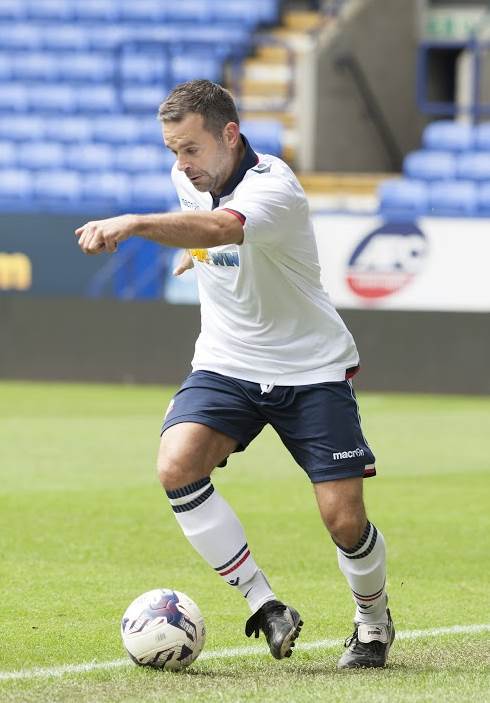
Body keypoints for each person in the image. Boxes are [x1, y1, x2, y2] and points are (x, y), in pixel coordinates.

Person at [76, 79, 394, 669]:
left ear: (229, 134)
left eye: (191, 149)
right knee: (177, 464)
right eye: (173, 151)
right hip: (227, 362)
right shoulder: (188, 180)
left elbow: (224, 228)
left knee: (344, 519)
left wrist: (137, 224)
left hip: (310, 368)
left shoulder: (276, 187)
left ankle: (373, 622)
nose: (182, 164)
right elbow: (209, 234)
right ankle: (265, 603)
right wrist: (190, 254)